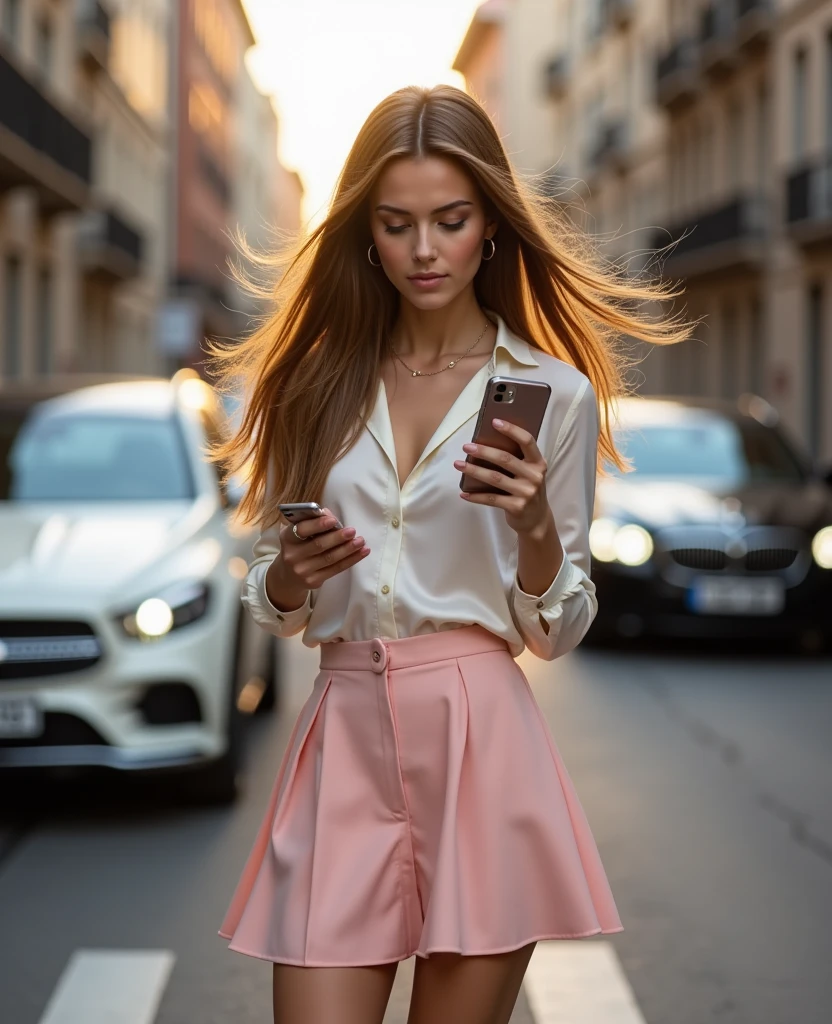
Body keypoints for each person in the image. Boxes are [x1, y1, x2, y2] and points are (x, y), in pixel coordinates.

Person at [206, 84, 692, 1024]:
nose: (423, 250)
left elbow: (556, 632)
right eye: (395, 224)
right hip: (344, 736)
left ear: (492, 227)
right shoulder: (315, 382)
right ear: (366, 234)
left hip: (482, 741)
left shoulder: (550, 392)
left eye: (450, 220)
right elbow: (275, 599)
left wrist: (538, 530)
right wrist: (290, 574)